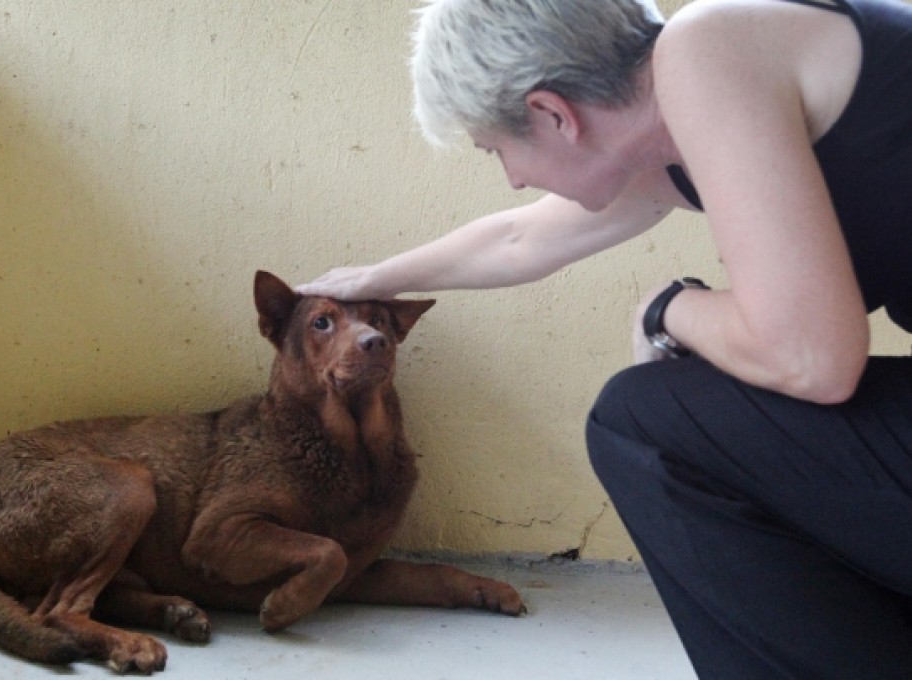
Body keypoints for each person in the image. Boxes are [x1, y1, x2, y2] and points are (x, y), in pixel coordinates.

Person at [296, 0, 912, 676]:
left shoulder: (705, 51)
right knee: (686, 407)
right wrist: (369, 279)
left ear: (555, 114)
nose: (514, 177)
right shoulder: (691, 105)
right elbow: (517, 239)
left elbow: (810, 356)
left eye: (498, 149)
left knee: (640, 421)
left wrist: (667, 308)